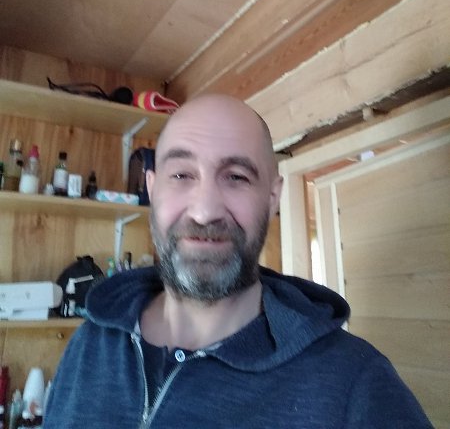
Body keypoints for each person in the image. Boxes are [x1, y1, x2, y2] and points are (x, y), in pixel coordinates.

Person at [43, 94, 432, 428]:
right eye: (181, 174)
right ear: (152, 188)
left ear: (272, 198)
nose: (205, 211)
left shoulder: (357, 383)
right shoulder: (89, 344)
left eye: (237, 177)